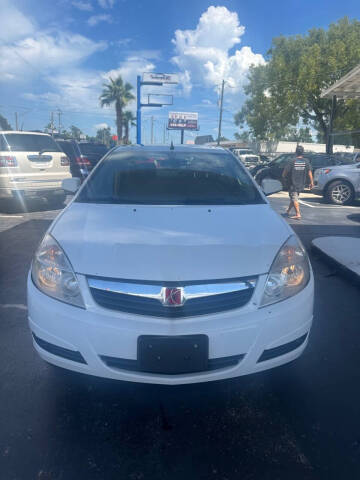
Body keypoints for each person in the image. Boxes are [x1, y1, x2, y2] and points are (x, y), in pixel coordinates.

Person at [282, 145, 314, 220]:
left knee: (294, 198)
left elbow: (285, 171)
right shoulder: (306, 161)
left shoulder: (292, 161)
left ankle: (298, 214)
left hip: (293, 183)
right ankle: (288, 211)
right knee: (294, 197)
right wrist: (311, 182)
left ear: (296, 152)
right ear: (303, 152)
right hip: (301, 184)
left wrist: (283, 177)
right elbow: (309, 172)